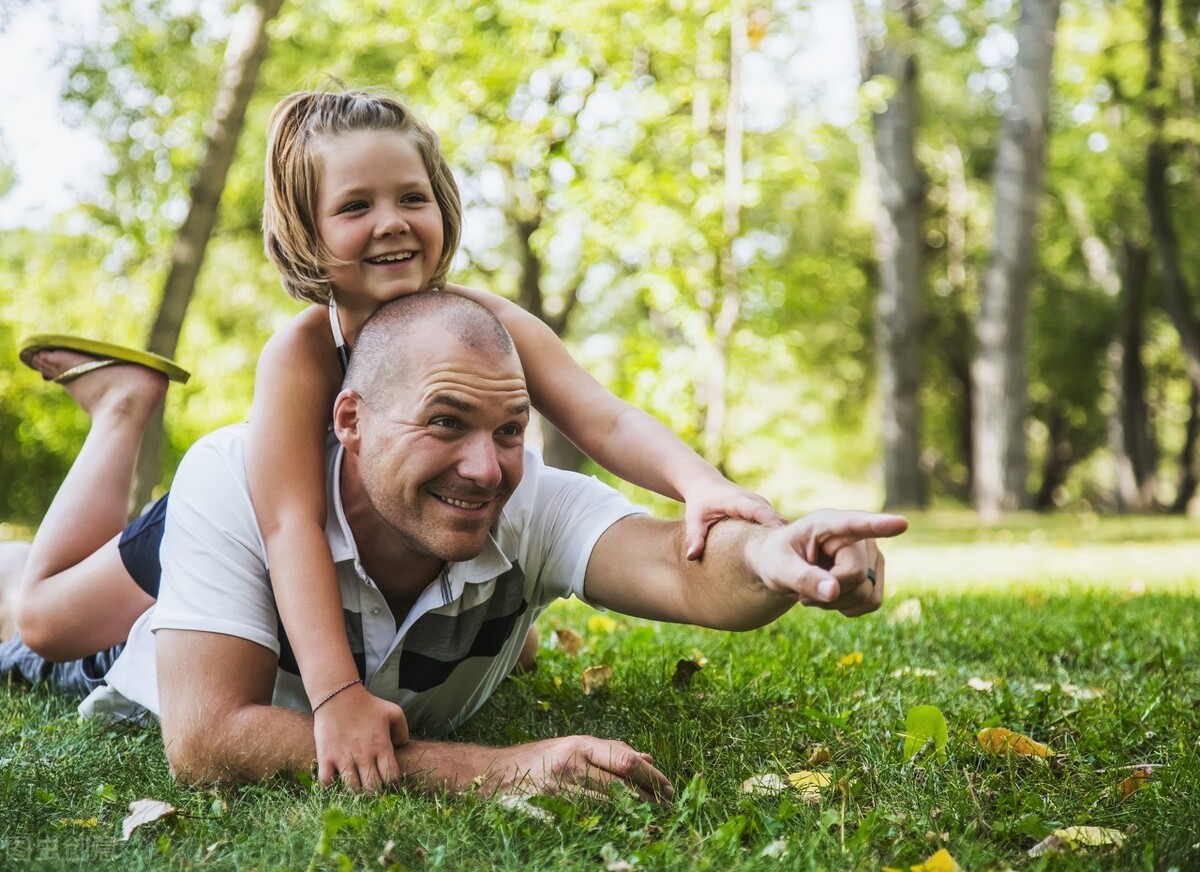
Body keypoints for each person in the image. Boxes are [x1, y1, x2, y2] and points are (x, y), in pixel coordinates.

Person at [13, 88, 784, 789]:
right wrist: (339, 695)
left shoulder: (490, 325)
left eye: (412, 196)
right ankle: (122, 404)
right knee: (47, 622)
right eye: (355, 206)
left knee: (479, 611)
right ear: (308, 232)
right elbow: (288, 527)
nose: (391, 221)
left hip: (370, 522)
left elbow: (602, 415)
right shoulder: (302, 352)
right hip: (250, 511)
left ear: (443, 206)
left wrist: (699, 484)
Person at [2, 292, 907, 799]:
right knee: (31, 618)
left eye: (511, 429)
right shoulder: (245, 473)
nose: (486, 467)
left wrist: (776, 555)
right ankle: (121, 407)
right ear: (349, 420)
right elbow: (207, 742)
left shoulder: (531, 498)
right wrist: (492, 771)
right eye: (446, 423)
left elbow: (688, 570)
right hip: (150, 638)